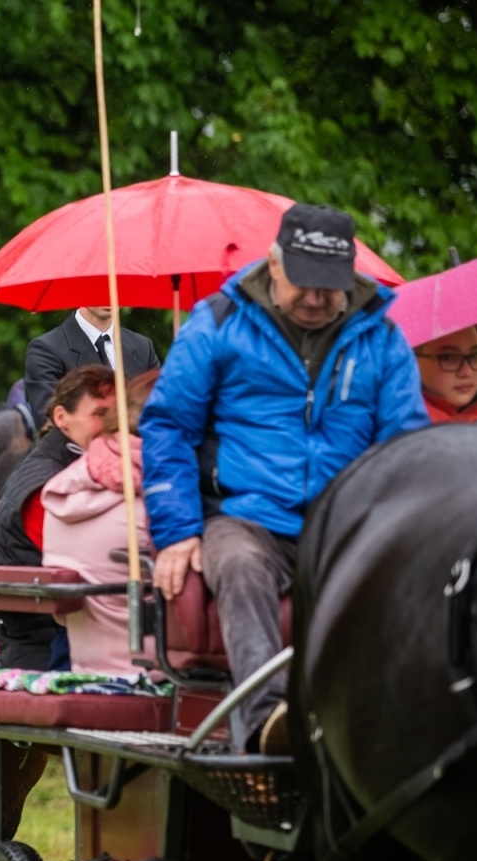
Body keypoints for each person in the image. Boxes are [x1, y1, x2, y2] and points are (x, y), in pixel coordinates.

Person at [142, 203, 430, 752]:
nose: (317, 298)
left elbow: (404, 448)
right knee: (240, 566)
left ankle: (382, 730)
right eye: (305, 283)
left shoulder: (381, 336)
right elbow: (168, 426)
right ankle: (268, 726)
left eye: (331, 286)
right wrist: (177, 531)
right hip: (245, 518)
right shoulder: (220, 321)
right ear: (274, 263)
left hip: (347, 521)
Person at [0, 365, 115, 669]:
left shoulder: (89, 465)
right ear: (61, 418)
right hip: (48, 646)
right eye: (100, 414)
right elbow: (92, 564)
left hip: (88, 630)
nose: (113, 425)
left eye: (118, 415)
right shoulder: (48, 485)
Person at [41, 370, 160, 677]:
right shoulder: (158, 493)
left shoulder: (68, 480)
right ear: (61, 417)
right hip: (152, 672)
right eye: (99, 413)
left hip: (83, 661)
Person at [24, 304, 160, 428]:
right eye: (99, 284)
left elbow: (161, 410)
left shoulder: (143, 347)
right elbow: (50, 424)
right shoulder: (47, 349)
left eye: (112, 282)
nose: (106, 292)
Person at [414, 325, 477, 423]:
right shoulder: (401, 427)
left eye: (474, 355)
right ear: (413, 360)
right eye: (449, 357)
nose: (467, 372)